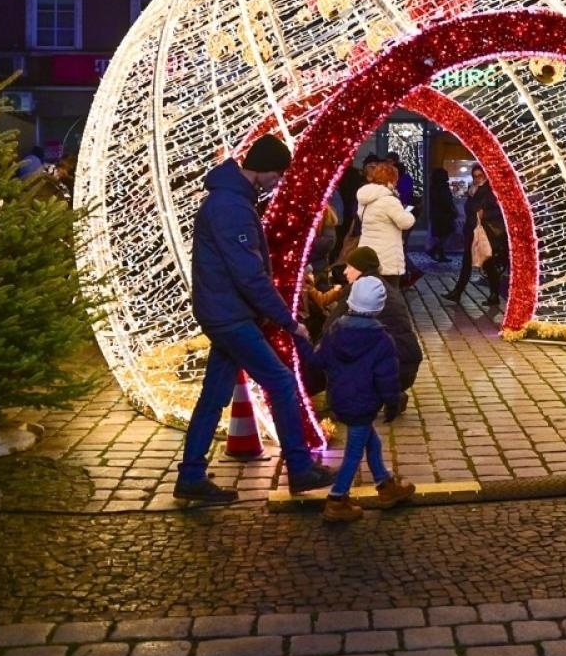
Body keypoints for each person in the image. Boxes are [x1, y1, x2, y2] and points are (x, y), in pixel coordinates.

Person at [176, 134, 335, 504]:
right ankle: (299, 469)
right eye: (278, 174)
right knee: (280, 382)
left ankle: (191, 476)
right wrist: (287, 320)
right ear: (261, 169)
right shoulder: (231, 206)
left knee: (213, 396)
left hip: (224, 311)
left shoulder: (231, 200)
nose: (278, 181)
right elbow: (250, 274)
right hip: (230, 316)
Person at [305, 277, 417, 523]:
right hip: (364, 405)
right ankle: (337, 499)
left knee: (371, 443)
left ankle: (385, 485)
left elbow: (318, 361)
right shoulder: (381, 341)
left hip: (340, 401)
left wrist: (303, 343)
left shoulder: (335, 332)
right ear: (379, 307)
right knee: (354, 452)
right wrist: (392, 402)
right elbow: (387, 378)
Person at [323, 246, 423, 410]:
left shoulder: (358, 290)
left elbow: (329, 329)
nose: (345, 272)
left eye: (350, 267)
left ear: (361, 269)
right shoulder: (387, 287)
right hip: (408, 364)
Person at [356, 160, 414, 287]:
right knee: (390, 295)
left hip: (367, 253)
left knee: (370, 292)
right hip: (386, 256)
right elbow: (405, 222)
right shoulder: (388, 200)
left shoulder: (365, 198)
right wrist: (409, 214)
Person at [445, 164, 497, 302]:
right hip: (472, 229)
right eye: (475, 176)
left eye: (480, 176)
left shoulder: (489, 190)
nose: (477, 179)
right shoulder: (473, 189)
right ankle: (458, 291)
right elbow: (469, 208)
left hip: (482, 231)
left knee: (486, 261)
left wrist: (483, 212)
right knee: (469, 261)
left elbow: (492, 209)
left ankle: (494, 294)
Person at [427, 167, 457, 260]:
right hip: (444, 214)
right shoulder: (443, 187)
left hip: (437, 214)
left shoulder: (433, 187)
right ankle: (435, 250)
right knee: (446, 232)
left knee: (441, 234)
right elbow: (446, 200)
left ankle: (439, 253)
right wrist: (452, 210)